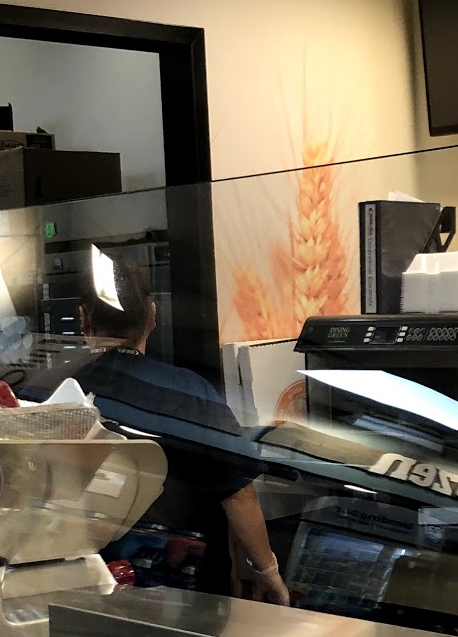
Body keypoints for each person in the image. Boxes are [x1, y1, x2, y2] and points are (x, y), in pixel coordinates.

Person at [53, 248, 289, 604]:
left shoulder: (56, 389)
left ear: (83, 320)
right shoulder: (189, 390)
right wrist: (267, 572)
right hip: (182, 586)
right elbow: (239, 493)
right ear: (152, 315)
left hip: (86, 581)